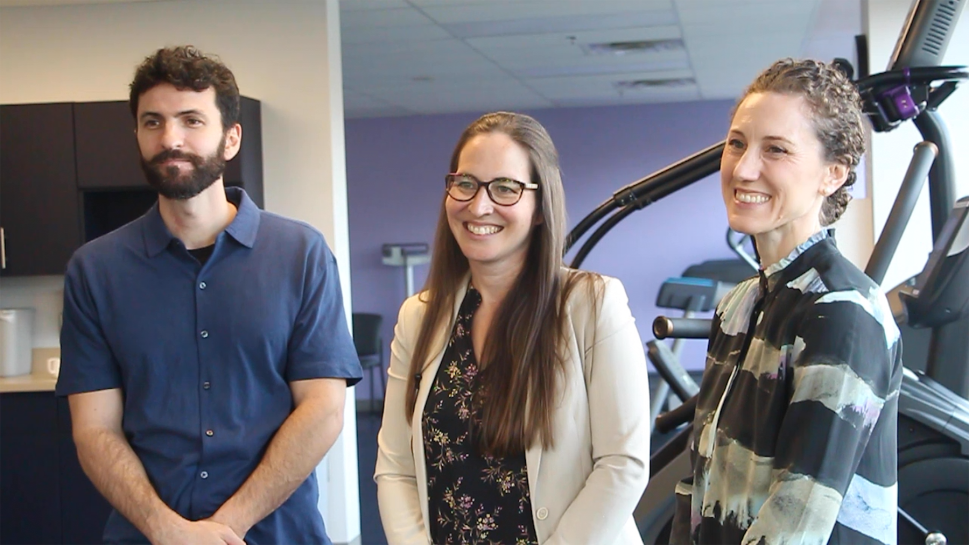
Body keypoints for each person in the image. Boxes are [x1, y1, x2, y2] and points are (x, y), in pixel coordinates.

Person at [56, 46, 362, 545]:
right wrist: (166, 530)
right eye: (152, 122)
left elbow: (322, 410)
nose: (170, 138)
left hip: (277, 533)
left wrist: (226, 527)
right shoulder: (95, 270)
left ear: (231, 138)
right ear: (136, 135)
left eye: (192, 120)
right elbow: (94, 429)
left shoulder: (299, 254)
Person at [374, 111, 651, 545]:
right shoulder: (420, 315)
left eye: (505, 188)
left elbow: (623, 464)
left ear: (540, 208)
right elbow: (395, 468)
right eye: (465, 183)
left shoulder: (591, 303)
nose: (478, 205)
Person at [670, 58, 903, 545]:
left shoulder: (843, 312)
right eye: (737, 144)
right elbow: (700, 484)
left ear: (832, 175)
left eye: (775, 149)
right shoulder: (740, 303)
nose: (744, 167)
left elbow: (797, 522)